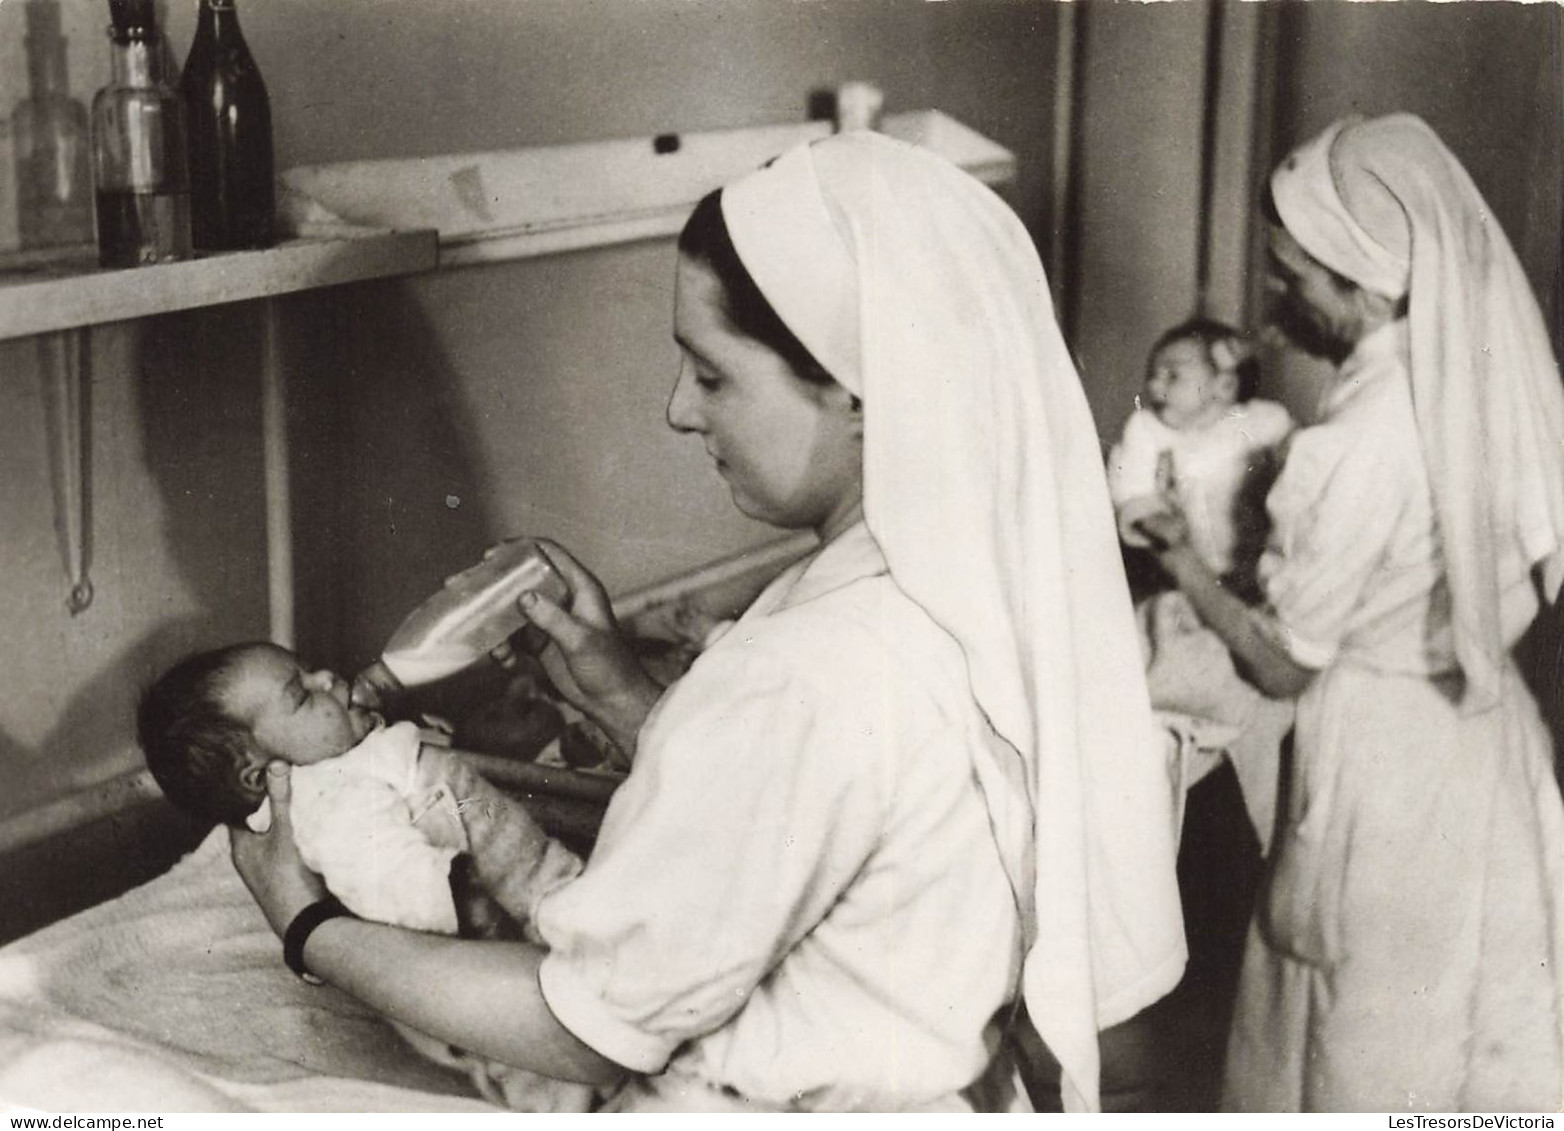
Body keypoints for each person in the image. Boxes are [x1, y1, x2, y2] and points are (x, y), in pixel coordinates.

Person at [229, 132, 1187, 1112]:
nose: (678, 410)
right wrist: (629, 698)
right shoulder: (957, 585)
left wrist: (306, 926)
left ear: (860, 392)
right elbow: (829, 814)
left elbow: (586, 1029)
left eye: (713, 373)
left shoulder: (802, 668)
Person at [1140, 113, 1564, 1111]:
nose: (1276, 297)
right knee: (1469, 1023)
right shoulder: (1485, 376)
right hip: (1482, 741)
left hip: (1381, 760)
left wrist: (1183, 561)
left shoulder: (1358, 443)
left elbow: (1283, 666)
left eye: (1295, 277)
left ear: (1369, 288)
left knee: (1356, 1030)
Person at [137, 641, 591, 1112]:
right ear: (260, 776)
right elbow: (388, 878)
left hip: (545, 895)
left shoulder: (348, 756)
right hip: (504, 953)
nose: (329, 678)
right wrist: (462, 900)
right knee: (551, 1069)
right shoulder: (329, 799)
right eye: (302, 696)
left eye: (311, 668)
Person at [1109, 317, 1293, 599]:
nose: (1155, 386)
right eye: (1152, 375)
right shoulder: (1147, 429)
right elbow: (1131, 489)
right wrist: (1154, 520)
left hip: (1253, 566)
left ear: (1225, 387)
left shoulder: (1260, 421)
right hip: (1185, 572)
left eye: (1172, 376)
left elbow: (1302, 455)